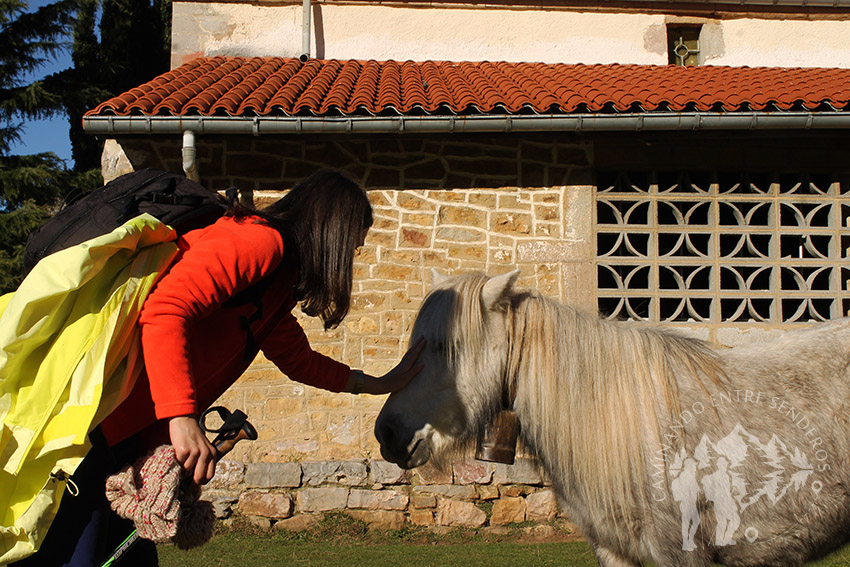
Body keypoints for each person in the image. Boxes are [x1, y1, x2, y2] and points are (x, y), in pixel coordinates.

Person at [15, 168, 425, 567]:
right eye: (353, 243)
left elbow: (298, 360)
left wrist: (378, 383)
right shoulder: (260, 244)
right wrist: (180, 418)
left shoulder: (276, 282)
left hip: (130, 441)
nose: (350, 256)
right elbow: (165, 309)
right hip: (95, 430)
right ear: (334, 231)